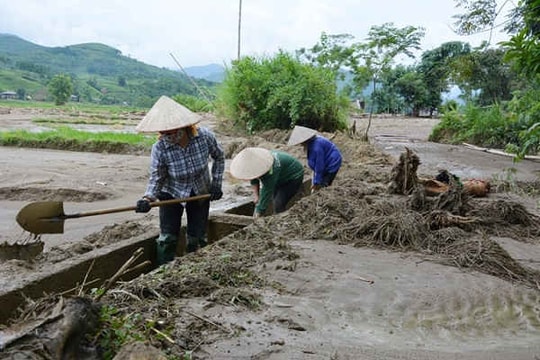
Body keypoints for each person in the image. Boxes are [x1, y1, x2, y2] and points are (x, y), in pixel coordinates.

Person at [134, 95, 225, 264]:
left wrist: (216, 184)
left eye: (170, 132)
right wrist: (147, 198)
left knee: (197, 236)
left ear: (183, 127)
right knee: (167, 237)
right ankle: (163, 270)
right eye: (162, 133)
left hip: (200, 190)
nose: (165, 136)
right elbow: (157, 177)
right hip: (171, 192)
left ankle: (195, 264)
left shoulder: (204, 137)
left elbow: (219, 157)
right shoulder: (160, 148)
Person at [229, 147, 304, 218]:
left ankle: (281, 223)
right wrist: (256, 195)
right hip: (280, 176)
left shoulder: (270, 169)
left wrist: (259, 212)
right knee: (274, 198)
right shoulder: (257, 163)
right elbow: (253, 176)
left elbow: (267, 191)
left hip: (293, 176)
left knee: (278, 203)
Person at [287, 125, 342, 193]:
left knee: (324, 184)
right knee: (320, 180)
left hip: (332, 161)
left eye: (301, 143)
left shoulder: (316, 147)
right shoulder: (311, 143)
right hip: (327, 159)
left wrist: (317, 182)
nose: (300, 144)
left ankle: (323, 195)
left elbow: (319, 165)